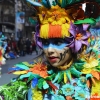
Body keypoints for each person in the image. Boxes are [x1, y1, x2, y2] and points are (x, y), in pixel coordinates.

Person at [0, 1, 100, 100]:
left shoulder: (93, 78)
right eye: (46, 43)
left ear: (75, 43)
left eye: (58, 42)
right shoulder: (32, 79)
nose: (49, 50)